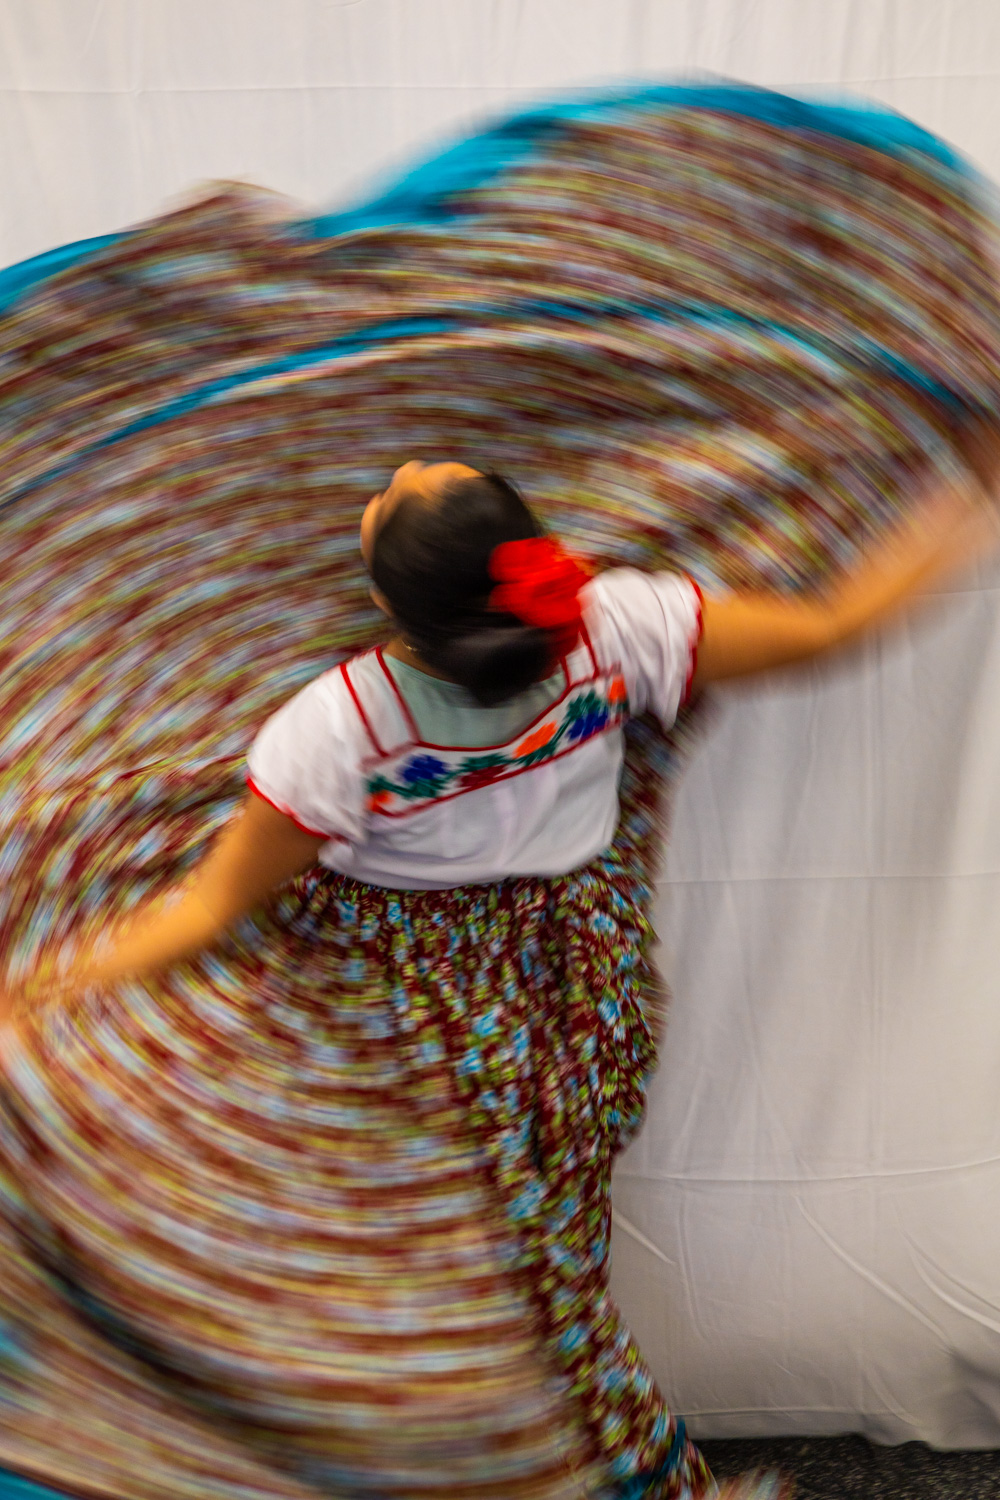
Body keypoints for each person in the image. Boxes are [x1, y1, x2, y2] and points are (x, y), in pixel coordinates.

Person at [2, 434, 996, 1500]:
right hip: (578, 975)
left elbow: (210, 906)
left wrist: (52, 981)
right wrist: (962, 503)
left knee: (483, 1281)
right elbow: (835, 625)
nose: (394, 469)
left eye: (398, 491)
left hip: (418, 1009)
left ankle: (573, 1460)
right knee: (531, 1259)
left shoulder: (338, 728)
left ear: (390, 603)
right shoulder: (620, 626)